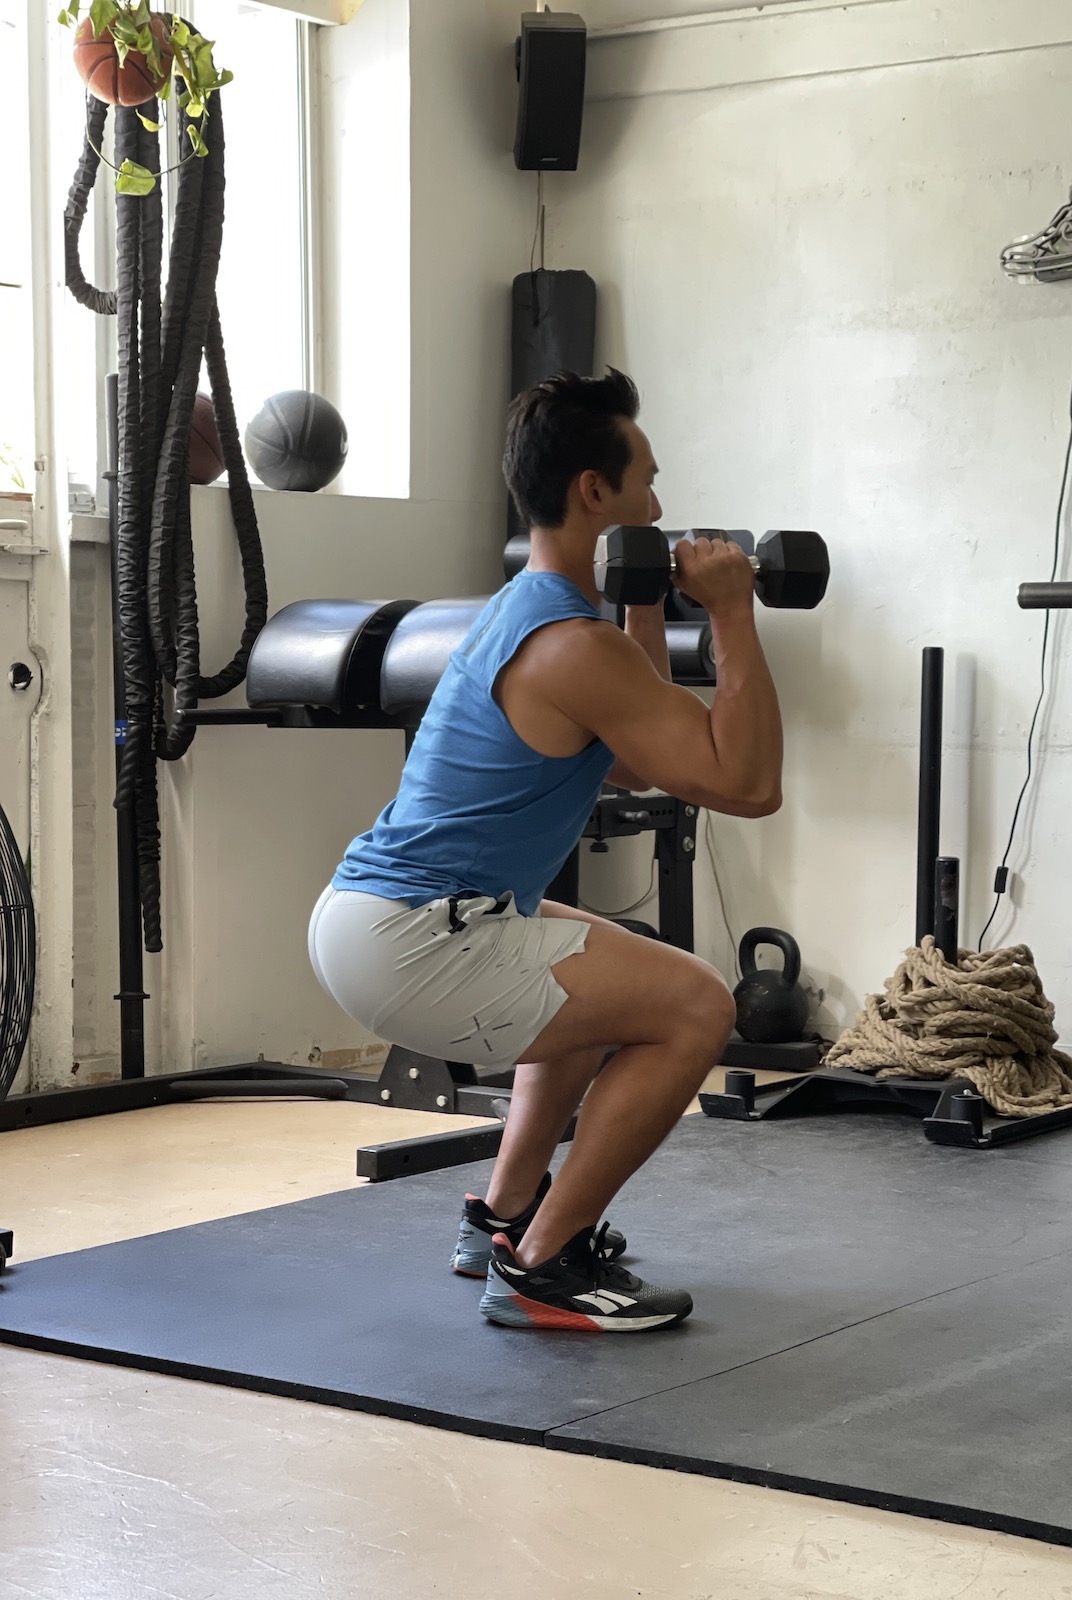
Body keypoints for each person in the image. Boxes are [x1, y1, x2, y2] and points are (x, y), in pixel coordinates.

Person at [308, 370, 783, 1333]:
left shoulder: (527, 611)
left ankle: (505, 1212)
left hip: (377, 919)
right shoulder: (572, 644)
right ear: (593, 492)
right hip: (420, 938)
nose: (659, 498)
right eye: (646, 478)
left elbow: (636, 766)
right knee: (697, 1006)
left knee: (616, 972)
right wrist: (732, 613)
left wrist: (644, 602)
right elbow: (745, 785)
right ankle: (545, 1265)